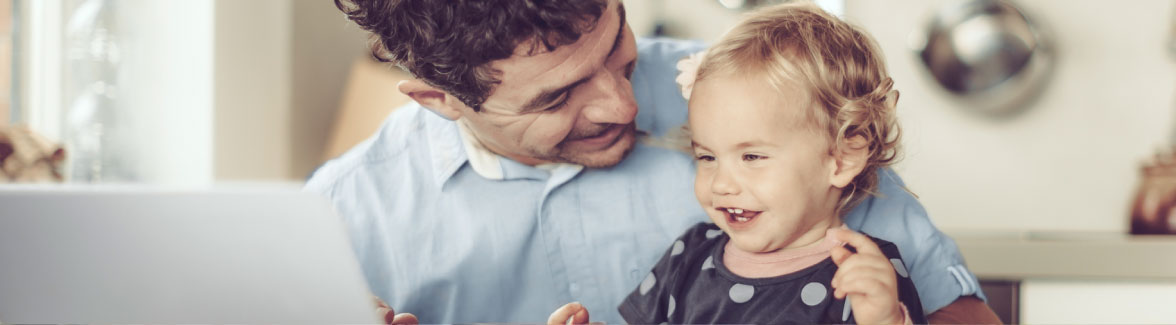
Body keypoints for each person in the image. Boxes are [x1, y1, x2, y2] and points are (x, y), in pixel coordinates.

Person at [310, 0, 1000, 323]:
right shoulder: (344, 219)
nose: (621, 103)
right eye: (559, 96)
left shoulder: (758, 99)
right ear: (441, 99)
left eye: (616, 45)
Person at [549, 4, 929, 323]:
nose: (721, 184)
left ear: (842, 157)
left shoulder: (864, 273)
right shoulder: (688, 256)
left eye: (751, 157)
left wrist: (886, 320)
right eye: (707, 157)